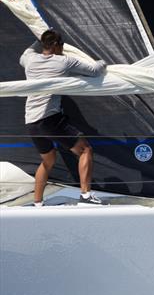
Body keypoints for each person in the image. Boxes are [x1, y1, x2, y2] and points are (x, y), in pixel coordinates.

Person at [21, 29, 107, 206]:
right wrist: (105, 62)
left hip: (31, 121)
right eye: (62, 46)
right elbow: (94, 70)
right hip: (49, 119)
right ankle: (85, 196)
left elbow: (29, 50)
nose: (63, 49)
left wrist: (40, 35)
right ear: (55, 45)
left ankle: (37, 203)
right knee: (85, 150)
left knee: (48, 159)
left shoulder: (29, 59)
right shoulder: (63, 61)